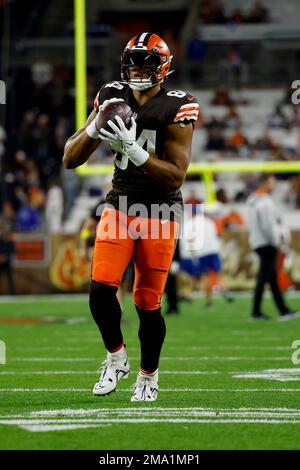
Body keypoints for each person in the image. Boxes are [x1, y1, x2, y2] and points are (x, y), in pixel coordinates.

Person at [63, 33, 199, 401]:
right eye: (133, 62)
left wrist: (134, 150)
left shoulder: (179, 105)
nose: (138, 69)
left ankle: (148, 377)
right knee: (100, 288)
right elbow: (70, 158)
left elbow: (175, 175)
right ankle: (116, 357)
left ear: (163, 68)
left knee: (146, 301)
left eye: (146, 63)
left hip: (159, 208)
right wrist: (95, 126)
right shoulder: (112, 95)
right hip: (120, 203)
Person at [247, 174, 299, 320]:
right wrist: (277, 241)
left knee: (267, 278)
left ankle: (259, 311)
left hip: (259, 242)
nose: (274, 186)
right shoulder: (265, 203)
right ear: (264, 184)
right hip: (267, 243)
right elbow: (268, 226)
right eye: (271, 183)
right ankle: (281, 310)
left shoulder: (253, 200)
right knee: (269, 278)